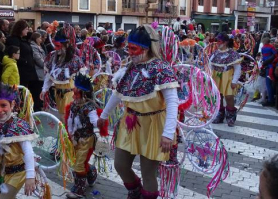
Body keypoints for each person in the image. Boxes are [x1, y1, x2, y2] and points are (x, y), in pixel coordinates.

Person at [97, 25, 179, 199]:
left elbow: (173, 102)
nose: (130, 53)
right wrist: (104, 115)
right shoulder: (130, 67)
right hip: (130, 122)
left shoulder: (161, 68)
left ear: (146, 48)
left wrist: (168, 133)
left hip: (153, 125)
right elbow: (118, 93)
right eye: (129, 48)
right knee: (120, 164)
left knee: (148, 173)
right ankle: (134, 191)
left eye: (134, 49)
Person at [0, 83, 37, 198]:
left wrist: (30, 176)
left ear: (12, 105)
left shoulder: (18, 125)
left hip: (18, 173)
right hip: (1, 172)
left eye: (3, 105)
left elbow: (28, 152)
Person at [65, 73, 107, 198]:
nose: (73, 96)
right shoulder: (73, 105)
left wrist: (100, 122)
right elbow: (70, 122)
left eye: (76, 93)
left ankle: (79, 191)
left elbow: (94, 121)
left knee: (79, 164)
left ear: (84, 94)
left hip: (87, 140)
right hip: (75, 139)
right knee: (79, 162)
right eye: (74, 92)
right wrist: (71, 136)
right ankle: (91, 172)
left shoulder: (89, 107)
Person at [41, 22, 85, 121]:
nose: (56, 49)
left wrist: (81, 93)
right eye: (55, 46)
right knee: (61, 119)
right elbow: (49, 75)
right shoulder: (53, 58)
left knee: (68, 119)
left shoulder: (75, 59)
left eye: (58, 46)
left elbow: (82, 76)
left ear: (66, 44)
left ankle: (69, 136)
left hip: (70, 94)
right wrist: (44, 89)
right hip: (58, 94)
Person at [211, 32, 242, 127]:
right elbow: (210, 65)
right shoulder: (215, 53)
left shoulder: (233, 53)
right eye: (217, 41)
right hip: (216, 76)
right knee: (218, 97)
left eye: (219, 41)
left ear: (225, 42)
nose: (217, 43)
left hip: (228, 77)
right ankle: (220, 115)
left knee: (229, 96)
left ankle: (231, 116)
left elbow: (237, 68)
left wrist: (234, 81)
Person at [6, 20, 38, 94]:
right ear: (21, 29)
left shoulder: (23, 40)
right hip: (21, 71)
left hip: (28, 71)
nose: (27, 30)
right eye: (26, 29)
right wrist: (25, 61)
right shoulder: (14, 40)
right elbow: (14, 54)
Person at [30, 32, 46, 112]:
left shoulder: (39, 46)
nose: (41, 39)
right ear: (36, 38)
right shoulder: (34, 47)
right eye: (39, 38)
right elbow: (38, 59)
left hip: (41, 72)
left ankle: (39, 105)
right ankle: (37, 107)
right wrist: (45, 65)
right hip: (38, 72)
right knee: (37, 91)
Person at [261, 37, 278, 106]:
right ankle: (271, 99)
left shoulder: (263, 48)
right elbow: (276, 55)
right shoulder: (271, 47)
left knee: (268, 84)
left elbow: (263, 56)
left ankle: (270, 99)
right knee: (270, 84)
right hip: (271, 66)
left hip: (266, 65)